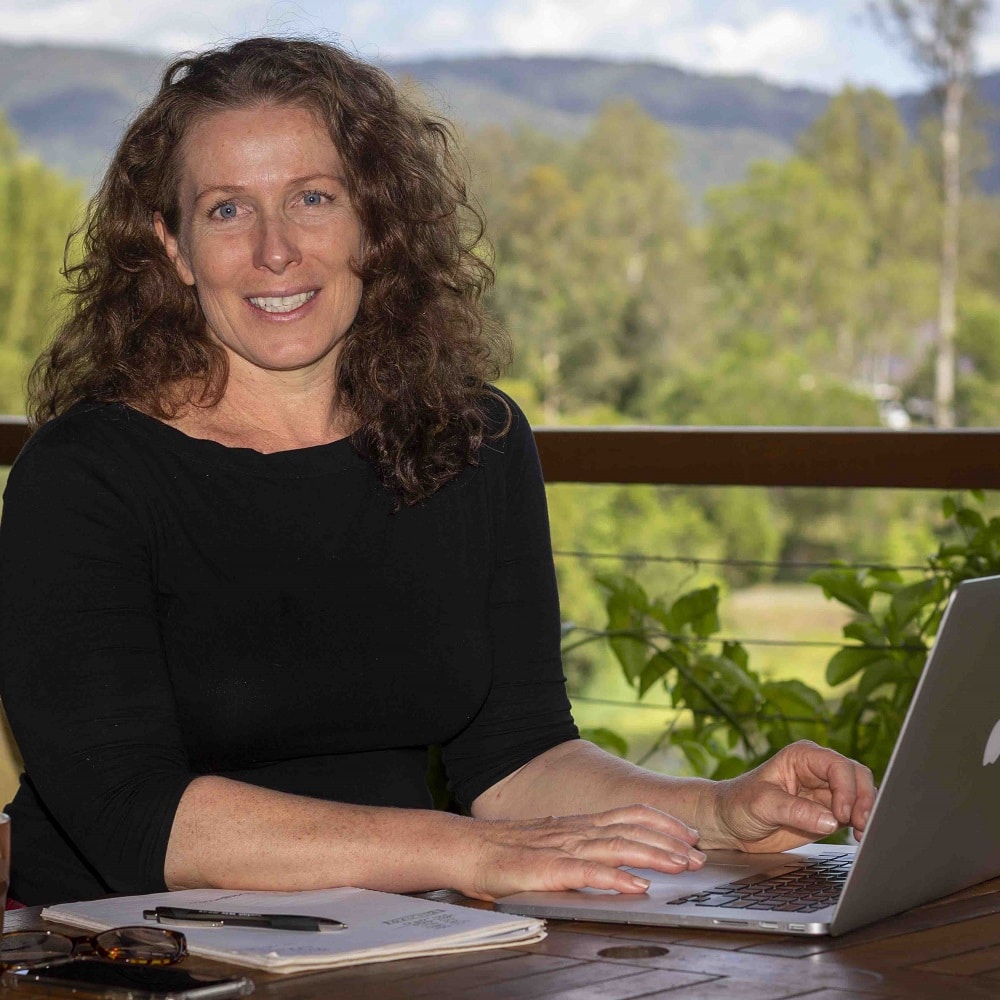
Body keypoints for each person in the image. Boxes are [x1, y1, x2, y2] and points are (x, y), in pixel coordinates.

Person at [0, 36, 874, 908]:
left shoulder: (473, 441)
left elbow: (519, 755)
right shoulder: (85, 479)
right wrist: (471, 852)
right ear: (174, 247)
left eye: (313, 198)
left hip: (395, 941)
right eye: (227, 210)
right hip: (120, 951)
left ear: (375, 223)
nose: (276, 251)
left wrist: (717, 810)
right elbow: (127, 813)